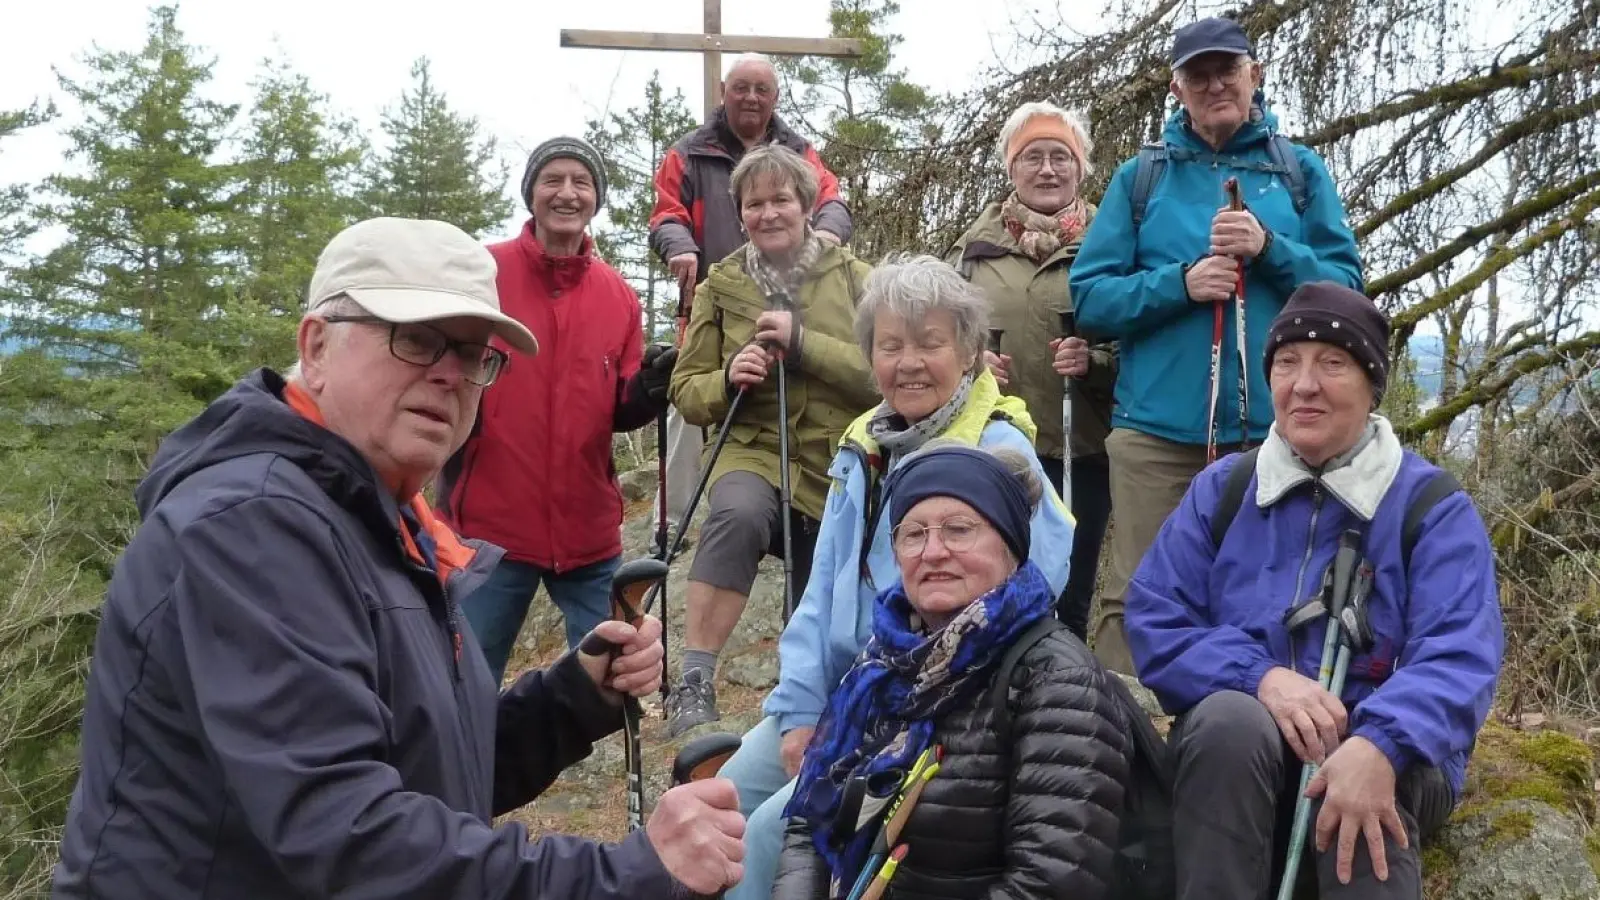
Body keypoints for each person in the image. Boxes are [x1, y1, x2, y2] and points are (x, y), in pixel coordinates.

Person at [52, 217, 746, 900]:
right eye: (417, 340)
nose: (452, 375)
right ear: (317, 347)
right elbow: (348, 837)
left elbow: (432, 769)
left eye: (474, 355)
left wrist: (573, 697)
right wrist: (627, 876)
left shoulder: (384, 522)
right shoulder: (250, 528)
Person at [716, 253, 1078, 900]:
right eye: (891, 346)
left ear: (968, 352)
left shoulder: (1000, 448)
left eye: (929, 344)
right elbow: (822, 588)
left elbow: (1042, 576)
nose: (908, 363)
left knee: (770, 835)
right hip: (834, 689)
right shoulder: (865, 445)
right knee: (715, 803)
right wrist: (801, 710)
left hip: (915, 702)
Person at [1125, 282, 1503, 899]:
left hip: (1392, 755)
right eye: (1286, 363)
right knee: (1226, 722)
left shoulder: (1429, 507)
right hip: (1246, 755)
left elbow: (1461, 653)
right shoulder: (1225, 489)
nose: (1304, 384)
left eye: (1332, 364)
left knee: (1359, 791)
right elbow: (1157, 617)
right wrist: (1260, 678)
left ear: (1372, 384)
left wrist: (1381, 742)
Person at [1069, 15, 1364, 675]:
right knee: (1137, 593)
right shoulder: (1141, 179)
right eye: (1197, 76)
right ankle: (1127, 744)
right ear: (1177, 89)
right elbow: (1089, 300)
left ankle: (1248, 742)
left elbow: (1346, 288)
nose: (1213, 86)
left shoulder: (1298, 172)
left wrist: (1270, 249)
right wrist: (1180, 283)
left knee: (1268, 592)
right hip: (1154, 434)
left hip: (1276, 433)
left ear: (1253, 75)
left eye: (1225, 71)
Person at [772, 443, 1131, 900]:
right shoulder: (879, 667)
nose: (933, 551)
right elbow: (811, 827)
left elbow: (1052, 882)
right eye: (913, 534)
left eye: (959, 530)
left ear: (1011, 548)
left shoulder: (1056, 681)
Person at [437, 136, 676, 683]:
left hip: (588, 535)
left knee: (613, 686)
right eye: (553, 180)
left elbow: (619, 408)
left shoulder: (619, 296)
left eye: (581, 183)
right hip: (489, 534)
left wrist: (649, 388)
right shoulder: (483, 274)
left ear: (596, 199)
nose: (567, 193)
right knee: (463, 686)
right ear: (531, 194)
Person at [663, 143, 879, 737]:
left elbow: (884, 377)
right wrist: (728, 377)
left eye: (781, 199)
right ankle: (694, 680)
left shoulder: (858, 280)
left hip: (839, 460)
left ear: (807, 205)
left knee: (824, 589)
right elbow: (686, 389)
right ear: (740, 214)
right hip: (752, 444)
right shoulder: (720, 285)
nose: (768, 213)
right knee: (736, 511)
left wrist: (803, 343)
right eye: (753, 203)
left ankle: (812, 710)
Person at [650, 53, 853, 546]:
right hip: (717, 300)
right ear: (724, 92)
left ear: (775, 97)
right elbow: (665, 214)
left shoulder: (801, 152)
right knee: (688, 404)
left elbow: (833, 203)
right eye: (742, 87)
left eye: (762, 89)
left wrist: (822, 238)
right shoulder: (689, 152)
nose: (752, 97)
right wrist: (680, 250)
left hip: (799, 297)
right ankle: (673, 525)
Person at [947, 100, 1117, 642]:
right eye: (1033, 157)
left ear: (1081, 168)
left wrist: (1094, 361)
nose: (1047, 169)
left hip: (1085, 441)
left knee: (1071, 572)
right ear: (1011, 168)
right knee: (1000, 566)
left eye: (1061, 157)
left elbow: (1139, 335)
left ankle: (1063, 678)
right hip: (999, 437)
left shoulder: (1111, 242)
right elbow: (944, 334)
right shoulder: (973, 250)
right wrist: (972, 366)